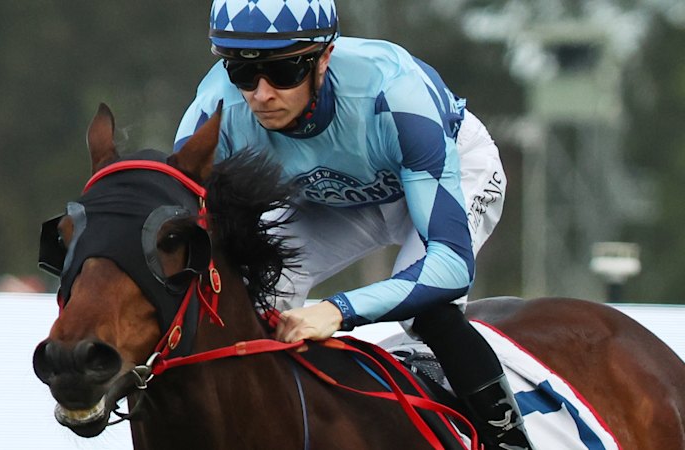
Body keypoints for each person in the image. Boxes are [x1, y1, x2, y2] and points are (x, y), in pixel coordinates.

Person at [174, 1, 531, 448]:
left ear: (324, 56)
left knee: (431, 312)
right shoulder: (214, 109)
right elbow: (184, 227)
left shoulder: (395, 91)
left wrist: (337, 309)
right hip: (328, 200)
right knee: (253, 296)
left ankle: (510, 442)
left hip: (438, 175)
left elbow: (451, 266)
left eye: (282, 72)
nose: (261, 94)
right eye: (242, 73)